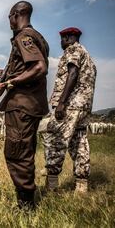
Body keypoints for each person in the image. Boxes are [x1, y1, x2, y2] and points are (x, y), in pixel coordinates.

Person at [0, 1, 49, 209]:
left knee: (16, 154)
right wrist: (4, 81)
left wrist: (9, 82)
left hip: (22, 106)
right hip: (31, 105)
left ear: (16, 14)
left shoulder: (24, 36)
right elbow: (27, 68)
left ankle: (26, 207)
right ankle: (26, 201)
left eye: (9, 16)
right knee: (24, 152)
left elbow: (39, 67)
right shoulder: (37, 37)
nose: (9, 21)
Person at [43, 27, 96, 193]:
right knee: (79, 141)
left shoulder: (73, 50)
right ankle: (81, 185)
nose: (61, 42)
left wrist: (61, 102)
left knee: (55, 138)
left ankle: (51, 184)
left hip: (70, 105)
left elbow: (72, 74)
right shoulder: (88, 57)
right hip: (83, 107)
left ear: (69, 37)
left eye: (62, 39)